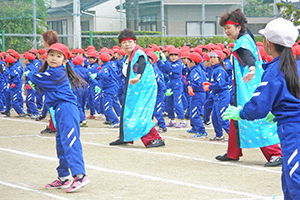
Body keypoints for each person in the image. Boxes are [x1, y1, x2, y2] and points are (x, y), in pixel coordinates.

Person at [223, 17, 300, 199]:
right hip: (291, 123)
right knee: (290, 171)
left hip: (292, 129)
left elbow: (259, 106)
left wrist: (241, 113)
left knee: (294, 173)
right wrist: (280, 111)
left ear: (268, 43)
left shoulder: (274, 70)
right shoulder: (295, 66)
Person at [216, 9, 282, 167]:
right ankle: (233, 152)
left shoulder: (242, 43)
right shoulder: (246, 36)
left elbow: (247, 56)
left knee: (254, 118)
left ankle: (275, 153)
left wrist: (251, 68)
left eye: (228, 28)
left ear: (238, 27)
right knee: (235, 116)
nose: (226, 32)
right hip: (244, 86)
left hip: (249, 87)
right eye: (224, 28)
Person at [24, 43, 90, 193]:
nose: (53, 58)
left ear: (65, 61)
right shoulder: (53, 71)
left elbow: (34, 77)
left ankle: (80, 176)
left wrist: (38, 64)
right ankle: (63, 177)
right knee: (61, 143)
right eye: (51, 55)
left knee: (70, 141)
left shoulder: (57, 73)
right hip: (58, 110)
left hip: (67, 109)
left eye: (59, 56)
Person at [109, 29, 165, 148]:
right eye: (124, 43)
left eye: (130, 42)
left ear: (134, 43)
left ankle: (155, 138)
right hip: (134, 89)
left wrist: (138, 76)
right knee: (127, 112)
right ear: (121, 45)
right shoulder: (127, 58)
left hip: (144, 89)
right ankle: (125, 137)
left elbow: (141, 64)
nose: (127, 44)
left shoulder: (139, 54)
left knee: (140, 114)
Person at [203, 50, 230, 141]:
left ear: (220, 59)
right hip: (217, 96)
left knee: (222, 117)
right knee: (214, 117)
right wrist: (210, 84)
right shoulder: (214, 69)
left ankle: (233, 137)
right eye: (211, 57)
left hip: (222, 96)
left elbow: (220, 84)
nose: (212, 59)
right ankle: (219, 135)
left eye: (214, 57)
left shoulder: (219, 70)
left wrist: (210, 86)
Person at [186, 52, 208, 137]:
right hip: (198, 94)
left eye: (188, 61)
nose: (187, 63)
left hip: (198, 94)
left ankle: (202, 131)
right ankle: (194, 127)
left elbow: (197, 81)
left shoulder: (195, 70)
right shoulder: (198, 69)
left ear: (193, 62)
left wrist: (191, 86)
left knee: (195, 112)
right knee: (192, 111)